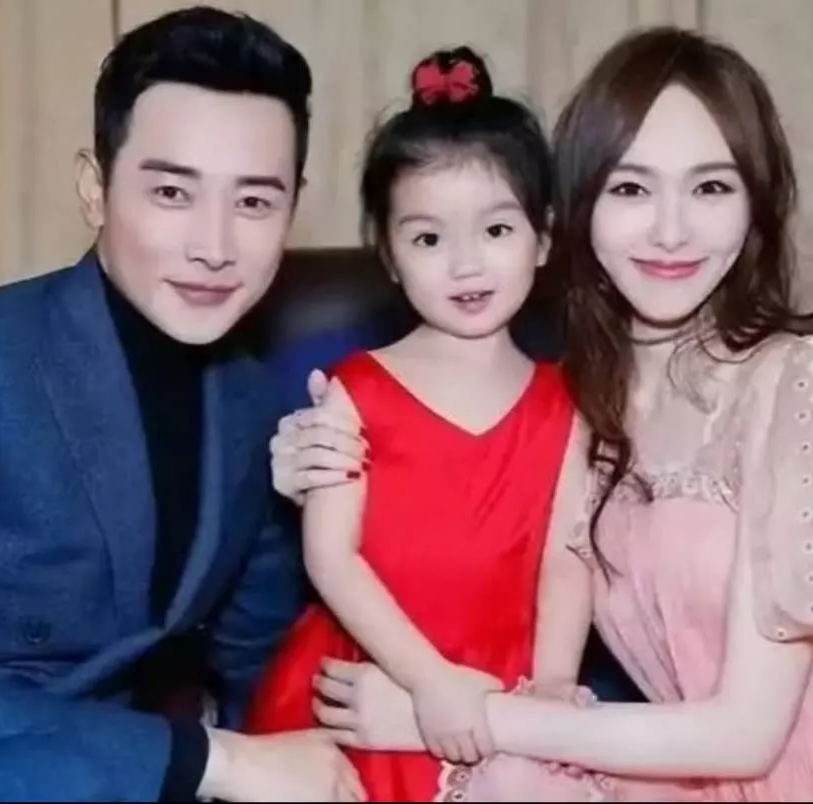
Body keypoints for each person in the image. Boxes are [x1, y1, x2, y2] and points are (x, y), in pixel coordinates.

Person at [285, 26, 813, 801]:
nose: (671, 231)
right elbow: (447, 494)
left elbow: (744, 737)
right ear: (576, 210)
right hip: (702, 775)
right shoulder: (587, 398)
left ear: (757, 206)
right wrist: (305, 455)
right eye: (632, 189)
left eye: (710, 188)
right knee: (511, 785)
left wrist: (451, 713)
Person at [0, 6, 368, 802]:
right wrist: (215, 761)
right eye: (172, 192)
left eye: (255, 203)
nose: (215, 246)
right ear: (94, 189)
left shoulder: (251, 404)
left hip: (106, 775)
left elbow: (260, 662)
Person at [244, 48, 592, 802]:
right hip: (373, 676)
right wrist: (429, 682)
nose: (465, 265)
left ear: (543, 236)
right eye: (429, 239)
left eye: (496, 230)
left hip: (505, 676)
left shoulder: (566, 400)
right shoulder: (356, 389)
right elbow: (331, 556)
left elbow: (567, 558)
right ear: (391, 256)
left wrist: (554, 685)